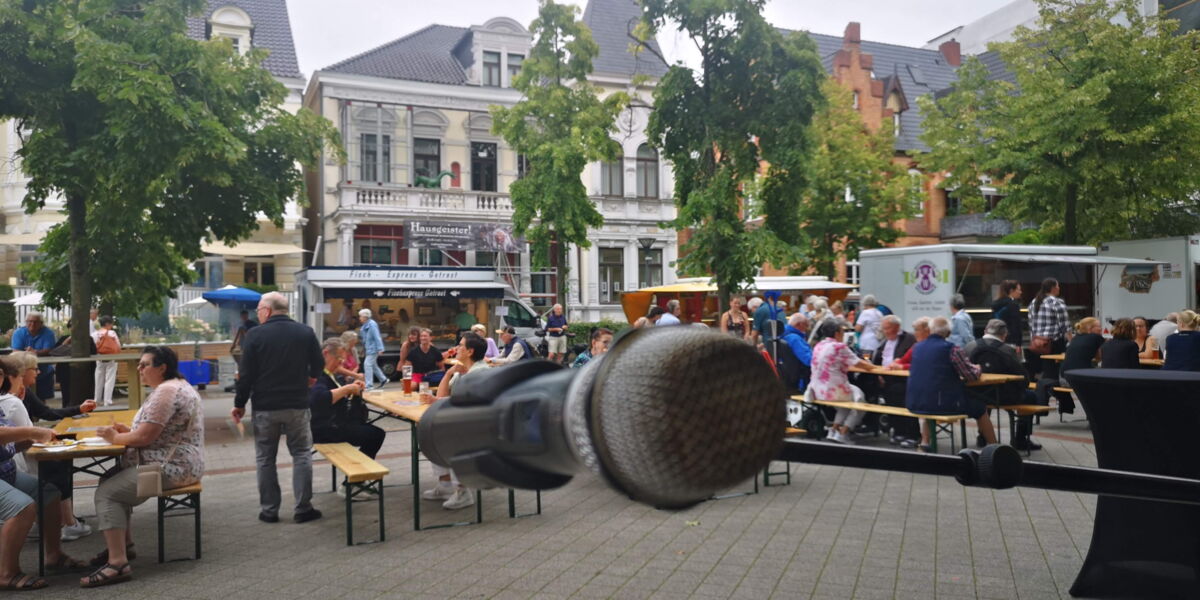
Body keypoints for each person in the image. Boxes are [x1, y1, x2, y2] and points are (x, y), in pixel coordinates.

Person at [84, 346, 204, 587]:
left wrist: (114, 438)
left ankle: (118, 563)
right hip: (180, 463)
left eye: (144, 365)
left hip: (168, 468)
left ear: (162, 368)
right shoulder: (177, 386)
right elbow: (161, 432)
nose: (139, 369)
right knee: (107, 479)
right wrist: (129, 432)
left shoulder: (166, 392)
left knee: (108, 492)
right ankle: (124, 546)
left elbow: (144, 438)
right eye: (139, 364)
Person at [231, 292, 324, 525]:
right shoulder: (305, 332)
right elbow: (319, 363)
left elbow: (246, 374)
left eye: (260, 310)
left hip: (265, 407)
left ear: (268, 310)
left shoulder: (254, 335)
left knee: (265, 458)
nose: (258, 314)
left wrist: (239, 404)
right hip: (297, 405)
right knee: (302, 454)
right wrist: (312, 378)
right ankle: (303, 508)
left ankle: (269, 510)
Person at [0, 382, 84, 591]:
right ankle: (6, 573)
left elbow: (6, 447)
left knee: (49, 493)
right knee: (22, 507)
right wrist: (32, 431)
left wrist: (25, 442)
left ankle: (54, 556)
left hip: (5, 472)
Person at [16, 352, 96, 541]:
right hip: (18, 454)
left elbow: (46, 413)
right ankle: (66, 523)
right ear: (21, 372)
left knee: (61, 462)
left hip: (23, 448)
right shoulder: (12, 401)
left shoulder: (24, 392)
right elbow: (26, 430)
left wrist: (78, 409)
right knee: (58, 466)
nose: (38, 372)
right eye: (34, 368)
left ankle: (55, 521)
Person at [420, 333, 490, 510]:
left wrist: (439, 402)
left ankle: (462, 491)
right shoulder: (463, 370)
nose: (457, 348)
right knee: (431, 434)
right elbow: (442, 396)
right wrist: (449, 372)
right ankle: (445, 485)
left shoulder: (480, 373)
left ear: (470, 351)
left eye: (460, 345)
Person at [906, 316, 997, 451]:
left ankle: (925, 443)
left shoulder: (917, 347)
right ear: (948, 333)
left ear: (930, 330)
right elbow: (970, 375)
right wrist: (978, 368)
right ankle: (993, 446)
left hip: (915, 402)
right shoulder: (952, 349)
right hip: (944, 403)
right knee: (980, 408)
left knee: (929, 401)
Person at [966, 320, 1041, 451]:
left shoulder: (969, 346)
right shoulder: (1008, 350)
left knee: (984, 397)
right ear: (1004, 335)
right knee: (1031, 396)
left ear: (985, 331)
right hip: (1004, 396)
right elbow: (1023, 377)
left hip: (975, 395)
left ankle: (982, 436)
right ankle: (1021, 439)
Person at [309, 338, 384, 459]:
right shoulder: (317, 374)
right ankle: (360, 472)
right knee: (376, 435)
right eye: (339, 358)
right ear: (325, 354)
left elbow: (334, 393)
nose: (341, 363)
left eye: (342, 359)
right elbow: (320, 399)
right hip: (325, 431)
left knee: (371, 430)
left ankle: (360, 470)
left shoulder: (327, 373)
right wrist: (347, 389)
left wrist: (353, 387)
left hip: (332, 425)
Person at [806, 320, 876, 444]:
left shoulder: (819, 345)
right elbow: (860, 364)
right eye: (843, 331)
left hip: (816, 390)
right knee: (860, 402)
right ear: (837, 333)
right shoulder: (839, 347)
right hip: (833, 391)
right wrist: (875, 367)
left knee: (846, 403)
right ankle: (843, 433)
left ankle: (833, 430)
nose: (844, 334)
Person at [871, 315, 919, 447]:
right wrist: (879, 373)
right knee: (890, 404)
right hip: (887, 378)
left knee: (904, 404)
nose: (885, 331)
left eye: (888, 328)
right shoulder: (885, 340)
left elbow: (910, 360)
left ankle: (912, 434)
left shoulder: (908, 339)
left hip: (903, 379)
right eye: (884, 328)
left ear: (897, 327)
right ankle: (898, 432)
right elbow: (879, 357)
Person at [11, 312, 57, 401]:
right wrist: (30, 353)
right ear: (26, 322)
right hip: (24, 370)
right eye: (29, 321)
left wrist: (35, 352)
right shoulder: (19, 333)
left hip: (44, 370)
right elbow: (16, 351)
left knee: (41, 398)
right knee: (23, 396)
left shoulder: (48, 333)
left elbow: (49, 350)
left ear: (41, 323)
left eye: (35, 322)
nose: (32, 324)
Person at [1027, 278, 1070, 370]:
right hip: (1053, 342)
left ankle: (1044, 383)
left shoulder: (1034, 302)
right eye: (1058, 286)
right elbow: (1065, 325)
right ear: (1053, 288)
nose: (1059, 288)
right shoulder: (1056, 302)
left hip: (1037, 343)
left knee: (1043, 368)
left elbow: (1031, 324)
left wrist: (1033, 339)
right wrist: (1071, 341)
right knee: (1054, 368)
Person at [777, 313, 813, 392]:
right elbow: (809, 360)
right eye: (806, 326)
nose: (807, 329)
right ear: (799, 324)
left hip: (786, 378)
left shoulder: (782, 334)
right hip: (801, 380)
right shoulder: (795, 339)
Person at [91, 316, 121, 407]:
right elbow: (118, 346)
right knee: (110, 379)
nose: (112, 326)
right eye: (111, 324)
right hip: (111, 358)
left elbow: (93, 348)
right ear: (107, 324)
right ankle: (107, 401)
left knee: (98, 379)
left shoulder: (94, 334)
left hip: (99, 359)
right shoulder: (112, 333)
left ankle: (97, 400)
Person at [358, 309, 387, 390]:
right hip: (369, 348)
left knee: (367, 364)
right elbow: (365, 339)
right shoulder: (365, 325)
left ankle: (369, 385)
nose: (359, 318)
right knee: (373, 365)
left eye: (360, 316)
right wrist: (363, 349)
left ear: (365, 317)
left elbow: (376, 336)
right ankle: (383, 379)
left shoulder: (372, 324)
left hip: (373, 348)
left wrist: (380, 348)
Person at [991, 280, 1024, 351]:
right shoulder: (1013, 305)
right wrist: (1018, 344)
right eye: (1019, 290)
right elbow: (1016, 325)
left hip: (995, 340)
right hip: (1011, 341)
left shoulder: (995, 305)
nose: (1020, 292)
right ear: (1011, 290)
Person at [230, 309, 257, 374]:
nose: (244, 317)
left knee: (248, 363)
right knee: (242, 363)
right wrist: (234, 345)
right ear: (241, 316)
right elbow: (238, 336)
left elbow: (252, 335)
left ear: (247, 315)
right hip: (243, 346)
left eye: (245, 315)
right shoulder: (241, 325)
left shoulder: (252, 324)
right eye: (242, 316)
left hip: (250, 346)